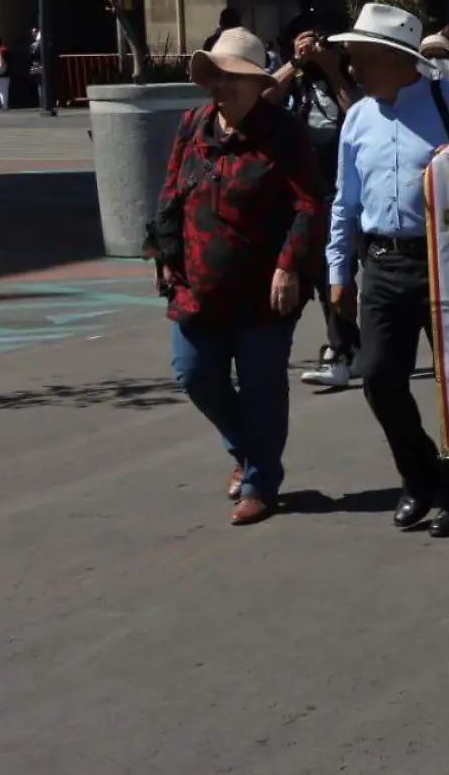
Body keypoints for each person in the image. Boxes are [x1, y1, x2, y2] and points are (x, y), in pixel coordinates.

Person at [326, 3, 449, 538]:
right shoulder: (358, 117)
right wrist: (338, 269)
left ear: (396, 58)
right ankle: (419, 478)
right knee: (378, 377)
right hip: (384, 264)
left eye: (361, 58)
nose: (354, 70)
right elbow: (345, 200)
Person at [157, 28, 321, 526]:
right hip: (198, 280)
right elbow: (170, 192)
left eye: (232, 77)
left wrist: (289, 265)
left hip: (262, 285)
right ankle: (248, 451)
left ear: (256, 84)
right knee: (193, 372)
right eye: (215, 76)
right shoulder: (194, 123)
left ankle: (260, 484)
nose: (220, 86)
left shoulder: (284, 132)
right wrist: (165, 253)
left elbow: (308, 204)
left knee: (261, 384)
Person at [269, 14, 364, 390]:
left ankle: (342, 349)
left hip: (339, 189)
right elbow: (262, 103)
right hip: (297, 190)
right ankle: (346, 347)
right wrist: (296, 63)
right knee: (309, 272)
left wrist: (330, 68)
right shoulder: (292, 79)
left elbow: (358, 113)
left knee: (335, 273)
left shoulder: (345, 77)